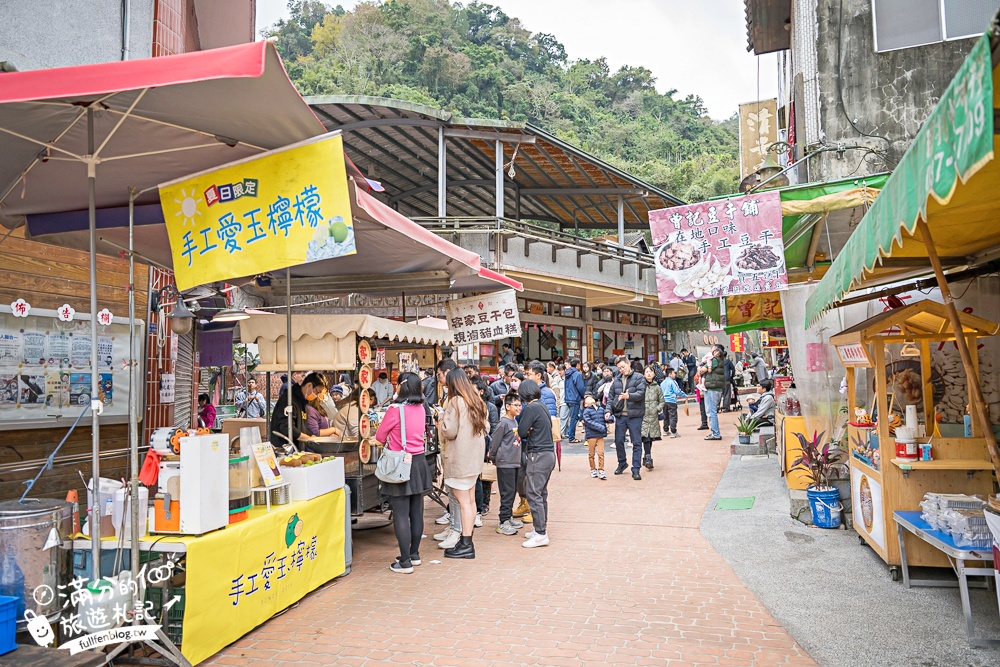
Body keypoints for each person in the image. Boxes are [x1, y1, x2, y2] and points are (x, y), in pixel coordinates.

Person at [374, 372, 431, 574]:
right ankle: (414, 554)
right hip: (419, 462)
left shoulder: (394, 410)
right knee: (416, 511)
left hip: (400, 464)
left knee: (400, 514)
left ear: (402, 386)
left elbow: (380, 436)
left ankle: (404, 562)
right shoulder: (422, 408)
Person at [438, 368, 489, 559]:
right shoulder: (477, 400)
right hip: (474, 459)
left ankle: (466, 543)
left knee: (464, 502)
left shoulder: (456, 401)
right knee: (470, 501)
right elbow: (487, 426)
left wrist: (441, 417)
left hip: (460, 459)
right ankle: (466, 541)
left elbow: (449, 431)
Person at [516, 379, 555, 548]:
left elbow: (522, 430)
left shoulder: (531, 408)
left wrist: (527, 430)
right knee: (541, 493)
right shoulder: (542, 405)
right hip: (548, 454)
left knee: (533, 493)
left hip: (537, 455)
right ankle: (540, 529)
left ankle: (540, 533)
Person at [605, 355, 646, 480]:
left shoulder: (639, 377)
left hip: (635, 415)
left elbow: (641, 393)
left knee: (636, 442)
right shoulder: (616, 380)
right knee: (618, 441)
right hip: (620, 416)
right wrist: (608, 411)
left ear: (629, 364)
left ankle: (636, 468)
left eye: (623, 367)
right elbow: (610, 398)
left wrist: (629, 396)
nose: (622, 370)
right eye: (619, 368)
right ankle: (622, 463)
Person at [489, 393, 524, 536]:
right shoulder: (503, 423)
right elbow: (495, 442)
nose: (519, 408)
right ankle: (503, 521)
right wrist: (492, 456)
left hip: (514, 462)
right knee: (507, 492)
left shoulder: (514, 421)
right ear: (507, 406)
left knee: (512, 491)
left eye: (520, 405)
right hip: (505, 463)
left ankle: (508, 517)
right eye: (516, 405)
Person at [269, 372, 324, 448]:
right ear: (309, 385)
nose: (316, 395)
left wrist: (311, 436)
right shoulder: (289, 399)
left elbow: (301, 427)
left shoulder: (303, 402)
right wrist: (308, 438)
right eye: (317, 392)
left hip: (297, 450)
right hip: (284, 449)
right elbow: (286, 427)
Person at [474, 378, 499, 523]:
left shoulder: (490, 406)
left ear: (481, 391)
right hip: (478, 443)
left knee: (486, 475)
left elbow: (494, 427)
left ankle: (485, 503)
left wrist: (492, 447)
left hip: (486, 442)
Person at [640, 365, 665, 470]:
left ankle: (646, 457)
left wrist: (657, 409)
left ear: (654, 374)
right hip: (643, 416)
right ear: (643, 374)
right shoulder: (640, 386)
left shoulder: (657, 387)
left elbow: (662, 401)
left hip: (653, 416)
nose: (649, 373)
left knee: (650, 438)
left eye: (651, 371)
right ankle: (648, 457)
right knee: (645, 437)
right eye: (646, 372)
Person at [581, 395, 609, 479]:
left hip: (600, 435)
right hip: (591, 435)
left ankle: (601, 470)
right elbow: (588, 421)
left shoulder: (601, 409)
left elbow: (606, 417)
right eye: (587, 399)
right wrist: (600, 427)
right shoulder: (586, 411)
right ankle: (593, 469)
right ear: (585, 404)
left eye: (591, 397)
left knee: (601, 453)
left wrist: (609, 418)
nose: (590, 398)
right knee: (591, 453)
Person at [703, 345, 726, 440]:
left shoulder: (715, 360)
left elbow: (703, 370)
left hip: (712, 388)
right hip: (715, 388)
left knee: (712, 412)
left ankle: (716, 433)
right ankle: (714, 432)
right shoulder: (720, 361)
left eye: (713, 349)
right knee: (711, 411)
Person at [562, 358, 586, 443]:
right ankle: (571, 437)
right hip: (575, 398)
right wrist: (584, 396)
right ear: (578, 364)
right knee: (574, 418)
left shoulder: (567, 373)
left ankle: (569, 434)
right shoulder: (577, 374)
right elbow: (580, 387)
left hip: (568, 398)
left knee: (572, 417)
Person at [660, 367, 686, 438]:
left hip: (664, 401)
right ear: (670, 374)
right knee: (673, 417)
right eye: (674, 373)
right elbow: (677, 391)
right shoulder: (672, 382)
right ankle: (673, 432)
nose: (675, 374)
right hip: (671, 401)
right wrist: (684, 395)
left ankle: (665, 431)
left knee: (666, 416)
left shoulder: (662, 383)